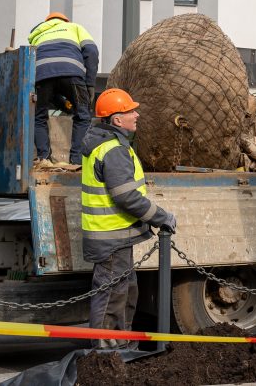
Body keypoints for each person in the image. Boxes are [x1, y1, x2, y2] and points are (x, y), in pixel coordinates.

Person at [81, 88, 176, 348]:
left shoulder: (108, 145)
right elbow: (127, 197)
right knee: (113, 296)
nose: (136, 114)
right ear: (116, 120)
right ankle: (106, 353)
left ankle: (120, 347)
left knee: (123, 293)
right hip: (112, 237)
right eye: (129, 111)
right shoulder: (112, 150)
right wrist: (161, 216)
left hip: (114, 236)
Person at [28, 12, 99, 166]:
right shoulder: (74, 27)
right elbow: (92, 52)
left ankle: (44, 159)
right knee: (83, 116)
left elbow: (52, 85)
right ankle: (76, 161)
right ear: (65, 20)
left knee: (38, 117)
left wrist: (65, 104)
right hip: (72, 74)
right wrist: (90, 84)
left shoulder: (36, 35)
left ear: (47, 22)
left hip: (42, 76)